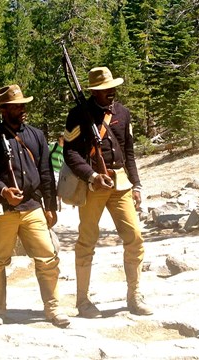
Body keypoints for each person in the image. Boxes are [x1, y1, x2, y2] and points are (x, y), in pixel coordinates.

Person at [63, 67, 153, 318]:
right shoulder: (78, 115)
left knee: (134, 236)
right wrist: (91, 176)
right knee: (86, 241)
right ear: (94, 91)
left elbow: (129, 152)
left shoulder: (122, 113)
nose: (111, 92)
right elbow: (70, 153)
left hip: (121, 182)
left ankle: (134, 295)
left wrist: (136, 185)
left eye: (112, 88)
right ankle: (83, 301)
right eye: (105, 89)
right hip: (92, 186)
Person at [0, 84, 70, 328]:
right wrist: (3, 191)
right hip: (5, 210)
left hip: (32, 205)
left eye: (22, 105)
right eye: (16, 106)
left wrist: (50, 205)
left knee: (48, 257)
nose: (22, 110)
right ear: (4, 110)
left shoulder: (36, 135)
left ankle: (53, 308)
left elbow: (46, 171)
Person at [48, 134, 64, 209]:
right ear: (60, 138)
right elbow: (45, 153)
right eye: (63, 138)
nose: (64, 140)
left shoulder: (66, 149)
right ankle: (56, 202)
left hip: (61, 171)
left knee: (60, 187)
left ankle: (59, 201)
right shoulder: (53, 146)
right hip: (53, 170)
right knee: (55, 185)